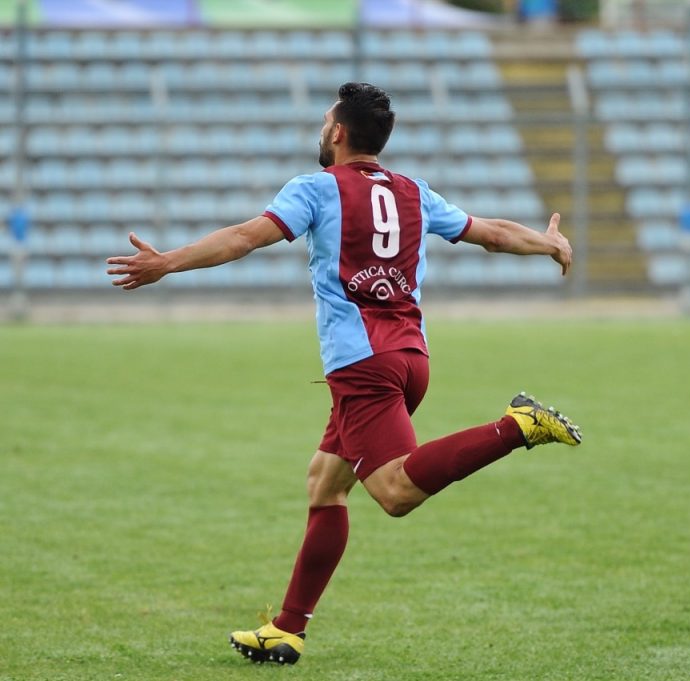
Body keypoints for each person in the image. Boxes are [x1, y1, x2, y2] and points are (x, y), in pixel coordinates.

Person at [106, 82, 583, 664]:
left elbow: (243, 238)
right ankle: (287, 629)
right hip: (410, 360)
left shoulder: (315, 189)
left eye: (323, 122)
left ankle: (516, 425)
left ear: (337, 132)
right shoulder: (413, 192)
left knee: (396, 492)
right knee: (325, 484)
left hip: (363, 367)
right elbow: (494, 234)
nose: (320, 129)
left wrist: (167, 263)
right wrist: (548, 243)